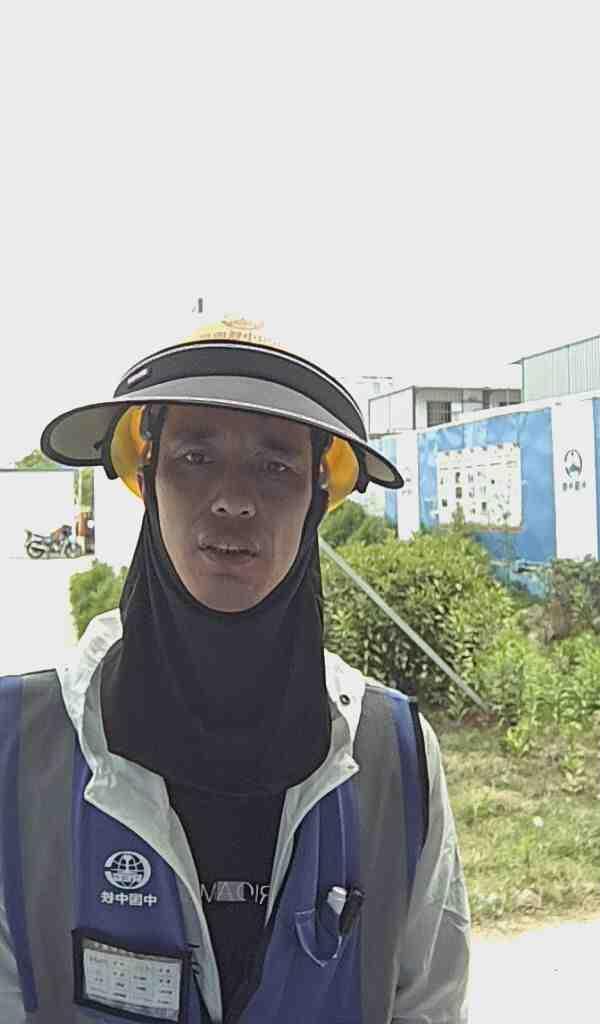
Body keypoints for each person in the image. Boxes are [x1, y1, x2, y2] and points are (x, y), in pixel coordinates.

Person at [0, 318, 470, 1023]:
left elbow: (429, 1004)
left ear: (316, 498)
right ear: (148, 479)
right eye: (195, 457)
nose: (232, 499)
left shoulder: (392, 756)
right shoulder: (18, 748)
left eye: (275, 466)